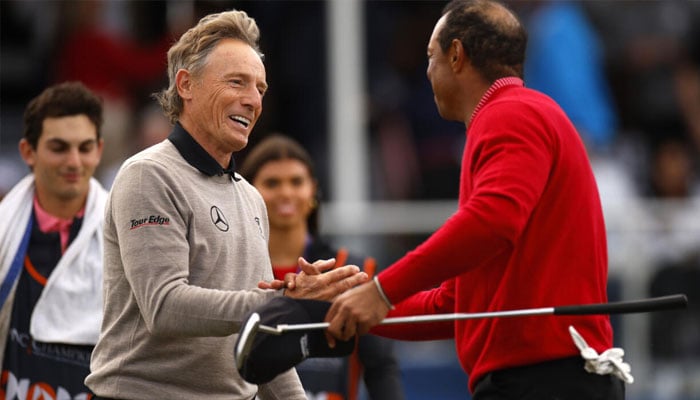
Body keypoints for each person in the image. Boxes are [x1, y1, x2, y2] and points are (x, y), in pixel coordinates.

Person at [324, 1, 625, 399]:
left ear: (456, 55)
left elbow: (492, 221)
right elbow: (456, 303)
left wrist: (381, 290)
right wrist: (356, 306)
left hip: (542, 380)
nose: (427, 72)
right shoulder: (519, 113)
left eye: (430, 58)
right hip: (545, 378)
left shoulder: (510, 113)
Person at [84, 9, 368, 400]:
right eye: (237, 83)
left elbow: (260, 340)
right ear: (186, 84)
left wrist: (283, 313)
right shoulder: (148, 174)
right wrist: (286, 303)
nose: (252, 100)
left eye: (260, 89)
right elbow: (164, 306)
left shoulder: (251, 197)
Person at [240, 134, 406, 400]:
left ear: (313, 190)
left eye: (296, 182)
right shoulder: (233, 268)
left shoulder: (352, 271)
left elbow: (381, 367)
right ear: (248, 192)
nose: (286, 192)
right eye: (272, 183)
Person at [0, 81, 107, 399]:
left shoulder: (125, 239)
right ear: (28, 152)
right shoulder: (5, 231)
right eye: (59, 147)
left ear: (99, 150)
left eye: (85, 148)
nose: (74, 162)